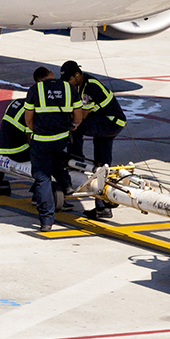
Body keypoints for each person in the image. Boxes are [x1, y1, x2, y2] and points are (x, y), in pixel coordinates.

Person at [60, 60, 126, 221]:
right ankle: (103, 207)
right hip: (104, 123)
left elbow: (81, 116)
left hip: (111, 123)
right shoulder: (81, 84)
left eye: (69, 80)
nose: (68, 84)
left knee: (75, 127)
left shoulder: (90, 87)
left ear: (77, 75)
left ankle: (75, 159)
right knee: (101, 165)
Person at [23, 66, 83, 232]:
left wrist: (37, 130)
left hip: (42, 140)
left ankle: (47, 220)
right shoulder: (69, 88)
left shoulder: (35, 90)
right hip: (61, 139)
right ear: (51, 74)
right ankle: (66, 185)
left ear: (38, 80)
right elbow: (78, 116)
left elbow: (28, 119)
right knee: (57, 159)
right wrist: (73, 127)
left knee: (42, 178)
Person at [0, 66, 55, 163]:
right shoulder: (33, 110)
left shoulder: (18, 102)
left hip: (6, 148)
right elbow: (31, 138)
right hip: (18, 152)